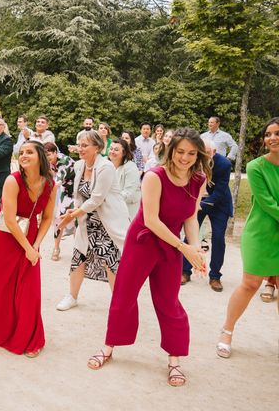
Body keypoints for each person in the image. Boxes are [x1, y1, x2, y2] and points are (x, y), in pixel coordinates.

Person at [87, 128, 210, 388]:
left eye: (191, 153)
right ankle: (108, 348)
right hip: (143, 241)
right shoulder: (155, 176)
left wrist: (196, 249)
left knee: (169, 301)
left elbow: (190, 217)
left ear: (197, 154)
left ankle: (174, 360)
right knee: (124, 295)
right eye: (180, 152)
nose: (185, 158)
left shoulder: (198, 179)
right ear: (171, 150)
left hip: (171, 246)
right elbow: (152, 220)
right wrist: (183, 247)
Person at [0, 141, 57, 357]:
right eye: (21, 152)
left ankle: (29, 338)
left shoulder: (51, 184)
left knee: (28, 289)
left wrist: (35, 246)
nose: (23, 155)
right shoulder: (12, 180)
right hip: (4, 238)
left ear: (40, 156)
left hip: (30, 236)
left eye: (29, 152)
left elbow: (48, 217)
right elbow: (10, 220)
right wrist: (28, 248)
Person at [216, 117, 279, 359]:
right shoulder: (255, 167)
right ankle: (227, 331)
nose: (272, 138)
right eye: (268, 134)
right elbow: (268, 203)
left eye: (277, 133)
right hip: (260, 233)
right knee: (250, 283)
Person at [56, 131, 130, 311]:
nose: (80, 149)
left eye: (85, 146)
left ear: (97, 148)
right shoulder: (80, 165)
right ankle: (72, 297)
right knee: (78, 258)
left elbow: (97, 199)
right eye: (79, 145)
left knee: (110, 261)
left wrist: (71, 216)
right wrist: (75, 211)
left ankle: (118, 303)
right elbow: (79, 195)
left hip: (107, 222)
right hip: (86, 220)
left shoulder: (106, 167)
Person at [181, 139, 233, 291]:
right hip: (198, 201)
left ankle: (215, 276)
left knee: (218, 238)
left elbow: (219, 191)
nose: (202, 155)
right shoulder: (193, 161)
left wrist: (199, 205)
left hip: (219, 204)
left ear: (214, 152)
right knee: (191, 236)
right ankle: (185, 270)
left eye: (206, 152)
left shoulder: (224, 164)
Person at [44, 142, 75, 261]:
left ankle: (78, 251)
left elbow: (57, 181)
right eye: (45, 156)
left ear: (55, 152)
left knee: (76, 221)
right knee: (59, 219)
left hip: (76, 192)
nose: (47, 158)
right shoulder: (49, 162)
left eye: (49, 155)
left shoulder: (64, 161)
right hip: (64, 191)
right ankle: (56, 248)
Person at [108, 139, 141, 219]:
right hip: (110, 209)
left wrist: (110, 201)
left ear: (124, 153)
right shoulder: (107, 165)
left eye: (116, 150)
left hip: (129, 210)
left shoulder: (131, 167)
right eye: (111, 148)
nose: (112, 152)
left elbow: (129, 193)